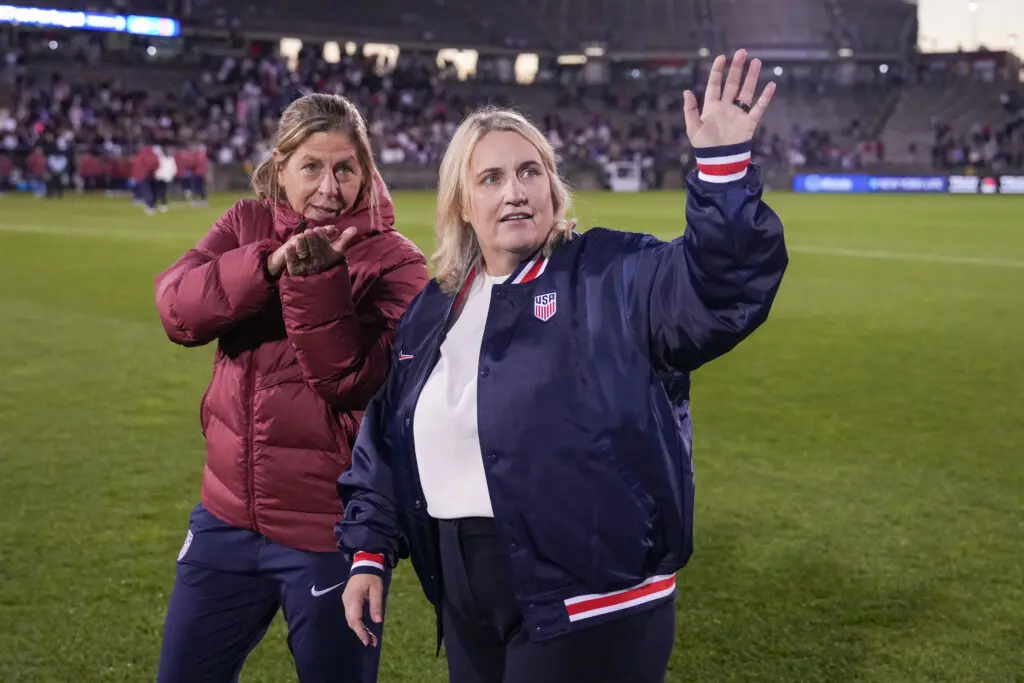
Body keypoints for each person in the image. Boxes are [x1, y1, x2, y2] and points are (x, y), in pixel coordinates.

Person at [335, 49, 788, 683]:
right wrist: (368, 551)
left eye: (530, 172)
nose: (515, 192)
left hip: (590, 604)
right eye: (491, 179)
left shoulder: (610, 275)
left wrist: (722, 171)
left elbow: (718, 290)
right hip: (468, 602)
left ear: (553, 186)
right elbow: (387, 438)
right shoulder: (437, 305)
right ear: (461, 203)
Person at [152, 92, 429, 683]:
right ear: (281, 167)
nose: (329, 187)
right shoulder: (245, 224)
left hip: (328, 529)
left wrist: (314, 280)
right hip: (224, 517)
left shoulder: (397, 262)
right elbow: (177, 312)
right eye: (311, 167)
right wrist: (264, 266)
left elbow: (350, 380)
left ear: (366, 172)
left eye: (345, 169)